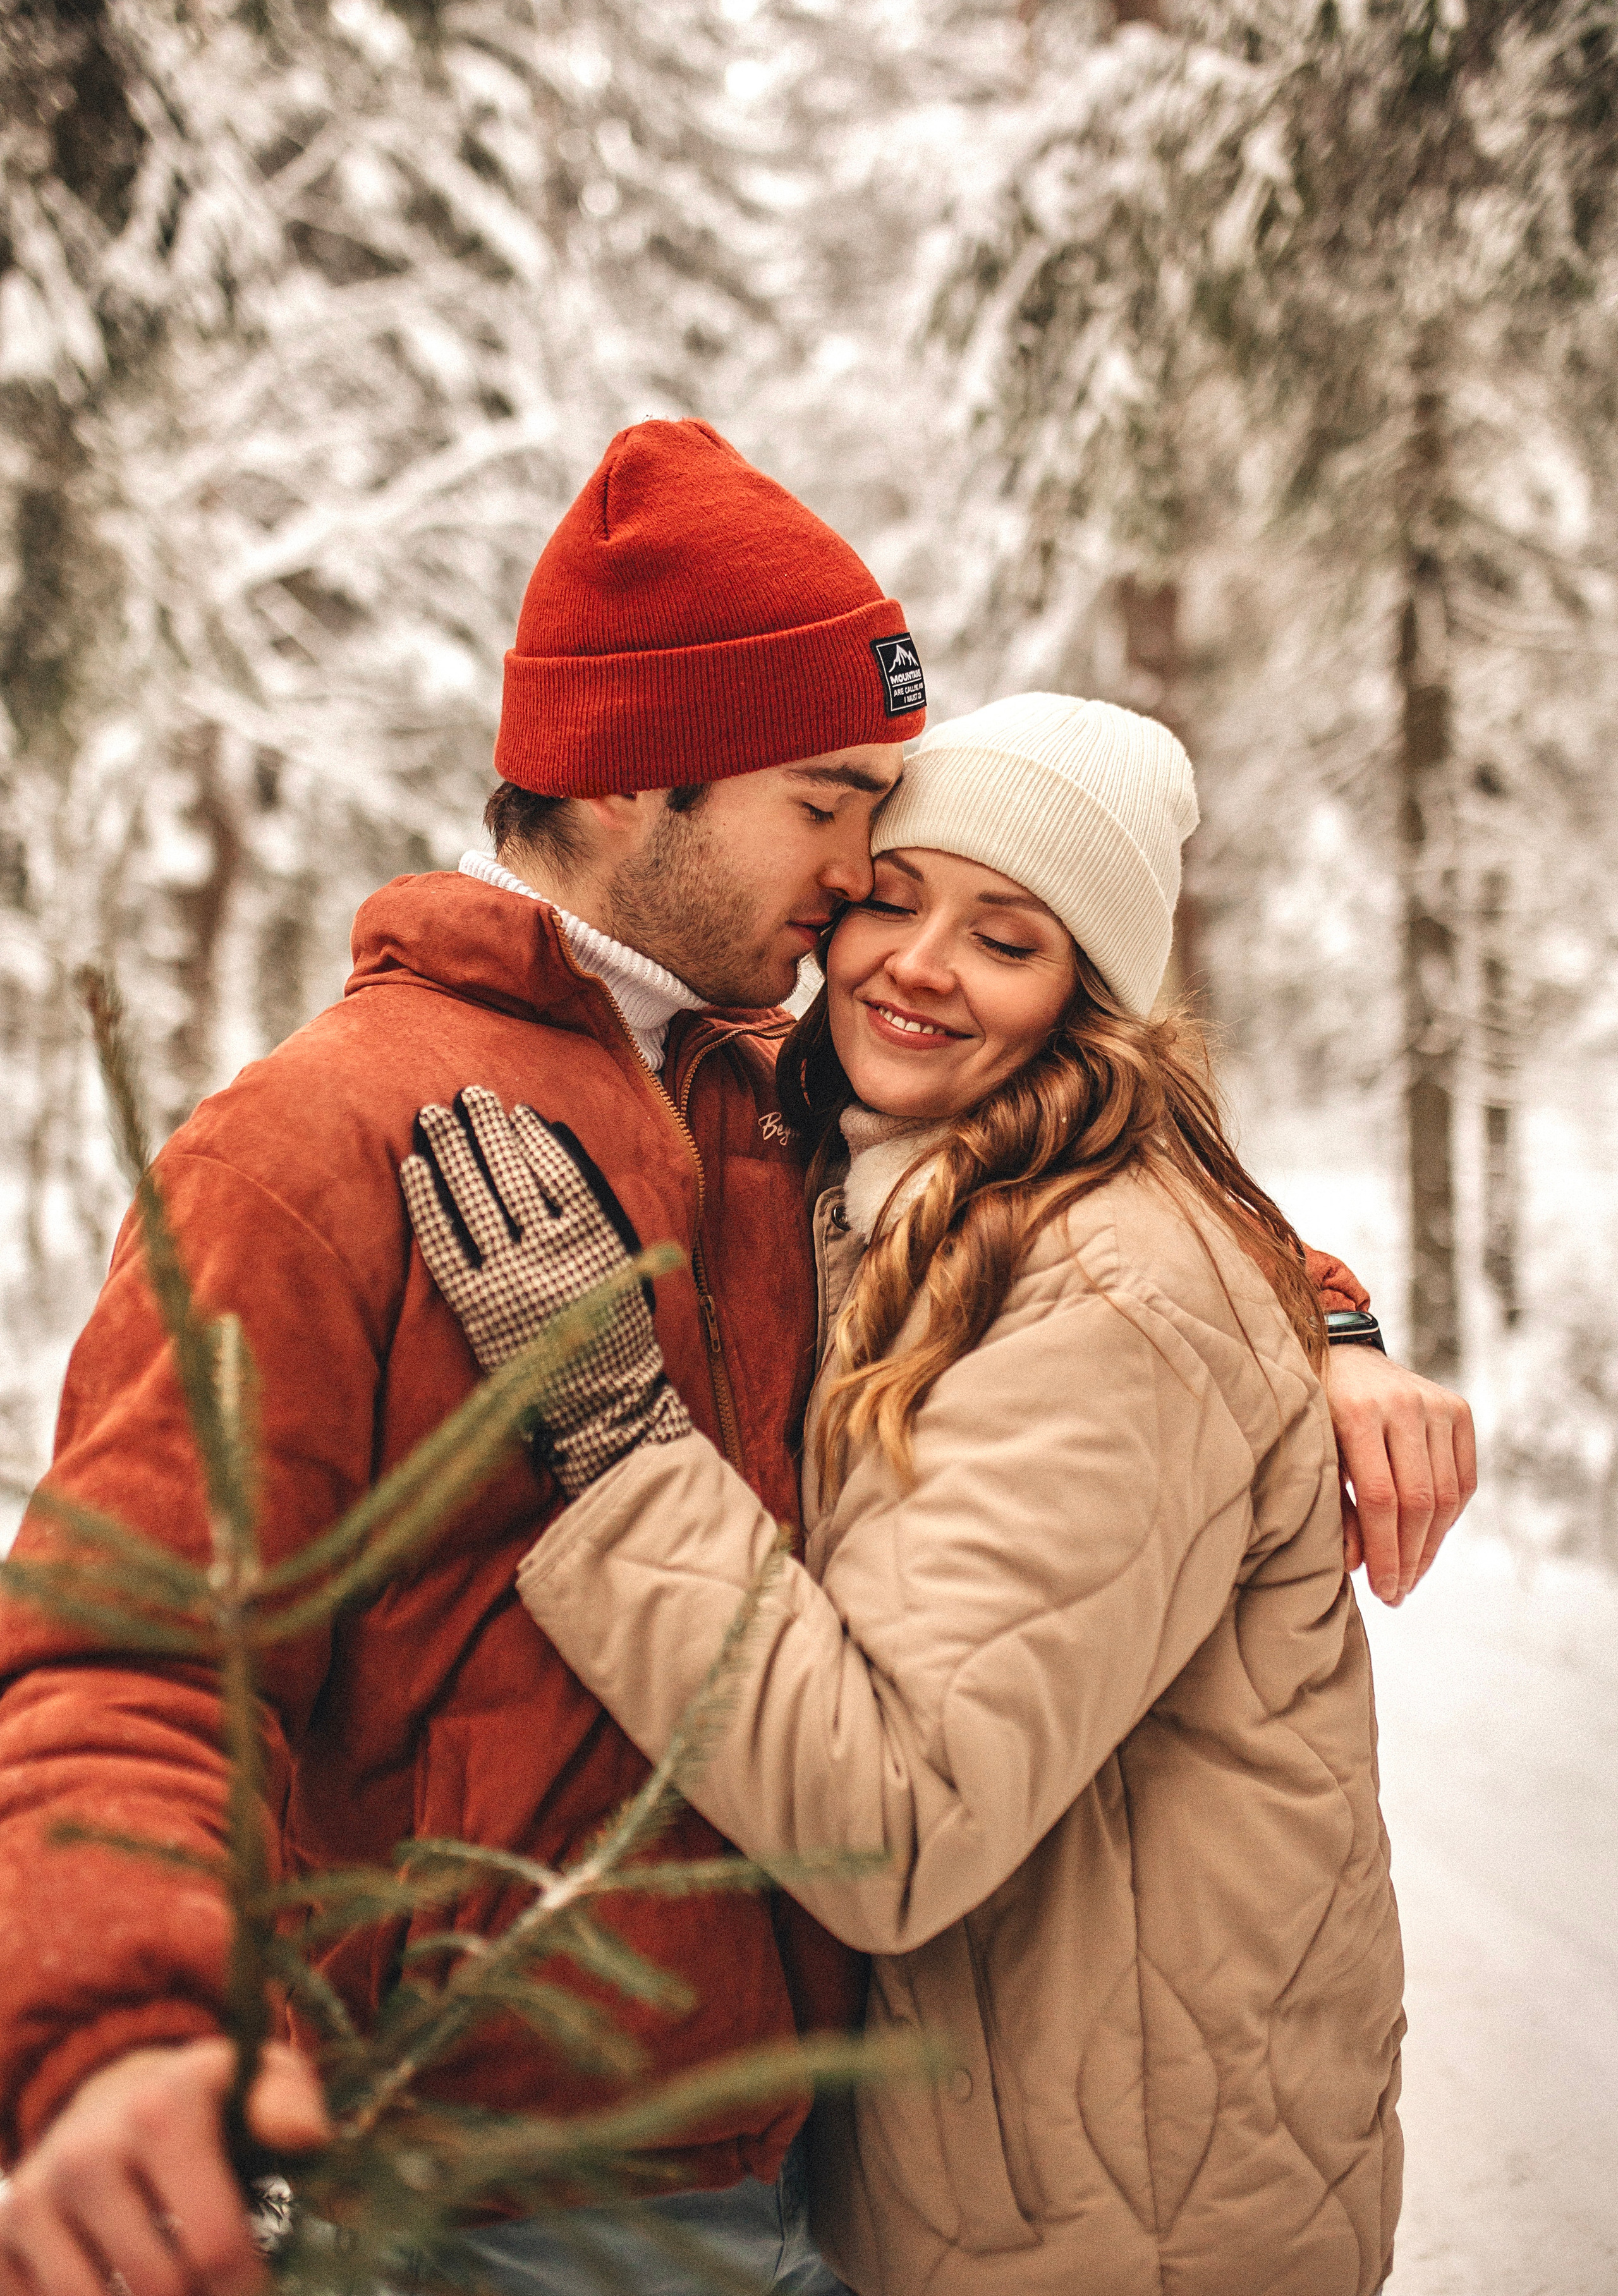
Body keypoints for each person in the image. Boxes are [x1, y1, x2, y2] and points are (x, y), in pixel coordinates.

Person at [0, 417, 1462, 2296]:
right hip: (491, 2193)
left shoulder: (768, 1095)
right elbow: (127, 1654)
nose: (868, 873)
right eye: (834, 799)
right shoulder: (309, 1152)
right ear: (638, 781)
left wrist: (1324, 1319)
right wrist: (129, 2025)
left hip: (816, 2173)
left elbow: (1093, 1190)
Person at [419, 695, 1409, 2295]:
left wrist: (610, 1435)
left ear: (1087, 1003)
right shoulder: (905, 1180)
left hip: (1122, 2220)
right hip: (1012, 2156)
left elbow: (889, 1824)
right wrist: (1338, 1318)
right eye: (891, 896)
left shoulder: (1099, 1291)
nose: (917, 964)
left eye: (1004, 939)